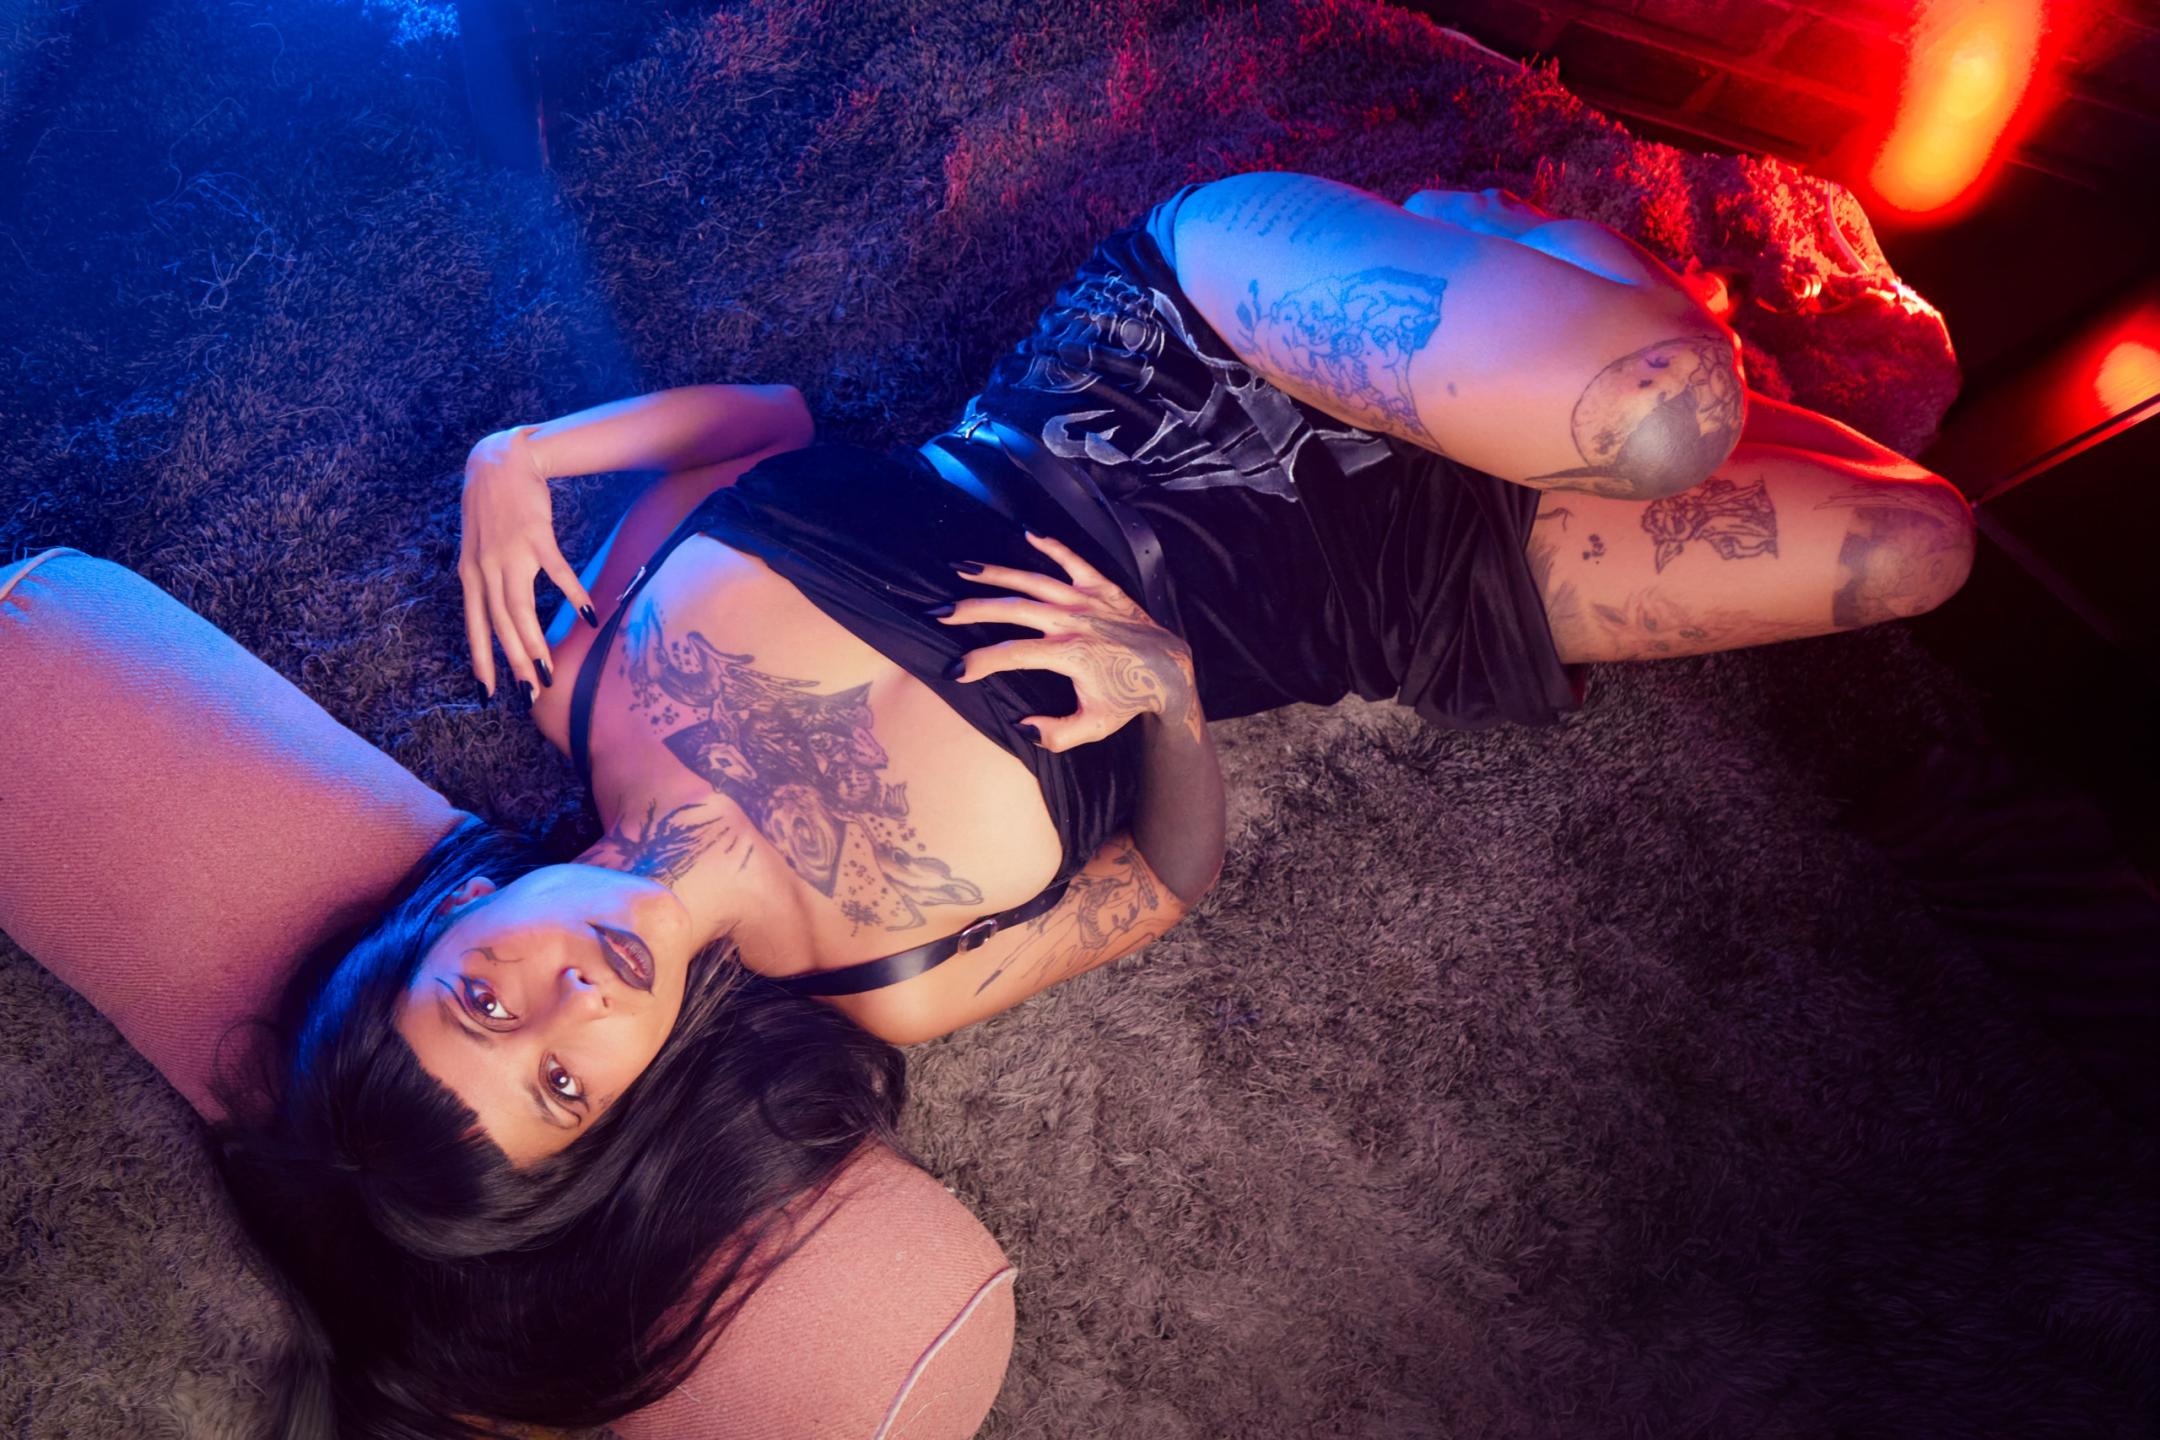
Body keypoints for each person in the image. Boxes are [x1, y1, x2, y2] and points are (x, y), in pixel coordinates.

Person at [209, 171, 1977, 1436]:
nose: (566, 1005)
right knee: (1921, 543)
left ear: (454, 919)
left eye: (482, 1000)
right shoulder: (886, 985)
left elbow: (777, 417)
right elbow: (1163, 880)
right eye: (562, 1086)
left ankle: (1494, 237)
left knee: (1668, 414)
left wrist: (524, 453)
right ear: (622, 1118)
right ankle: (1528, 332)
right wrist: (1168, 695)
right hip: (1374, 593)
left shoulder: (580, 671)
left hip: (1177, 357)